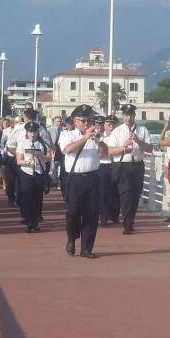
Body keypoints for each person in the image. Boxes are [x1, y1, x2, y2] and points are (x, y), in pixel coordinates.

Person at [58, 105, 107, 258]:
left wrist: (99, 141)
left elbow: (105, 153)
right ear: (75, 121)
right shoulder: (68, 134)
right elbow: (67, 149)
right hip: (75, 179)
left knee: (91, 214)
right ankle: (72, 238)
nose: (87, 123)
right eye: (84, 120)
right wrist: (85, 137)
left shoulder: (95, 135)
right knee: (73, 212)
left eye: (89, 120)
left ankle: (86, 248)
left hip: (93, 177)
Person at [105, 104, 153, 234]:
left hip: (137, 165)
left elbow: (150, 149)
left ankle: (130, 221)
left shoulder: (142, 130)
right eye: (126, 115)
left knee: (135, 196)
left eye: (131, 115)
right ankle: (126, 224)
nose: (129, 118)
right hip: (123, 166)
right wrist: (124, 147)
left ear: (134, 116)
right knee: (125, 195)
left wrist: (139, 142)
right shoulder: (117, 131)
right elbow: (110, 151)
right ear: (123, 116)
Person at [16, 121, 52, 232]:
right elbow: (18, 160)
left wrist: (41, 156)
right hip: (26, 172)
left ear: (37, 132)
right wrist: (27, 161)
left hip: (38, 172)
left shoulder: (43, 144)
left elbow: (49, 157)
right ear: (27, 132)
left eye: (34, 132)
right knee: (27, 197)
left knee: (37, 197)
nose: (32, 134)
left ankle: (35, 220)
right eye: (30, 132)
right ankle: (29, 220)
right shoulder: (23, 143)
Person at [97, 115, 120, 226]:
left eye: (113, 125)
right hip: (104, 165)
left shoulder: (119, 137)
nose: (111, 127)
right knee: (103, 192)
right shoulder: (100, 137)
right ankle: (104, 216)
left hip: (116, 164)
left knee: (116, 191)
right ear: (104, 125)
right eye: (109, 125)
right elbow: (98, 153)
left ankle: (114, 215)